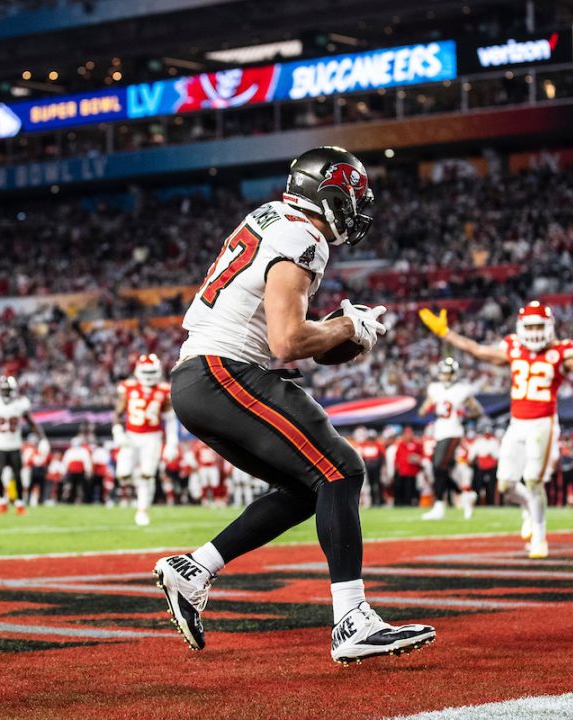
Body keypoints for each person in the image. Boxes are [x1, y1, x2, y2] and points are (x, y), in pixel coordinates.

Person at [154, 147, 434, 664]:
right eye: (349, 196)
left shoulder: (269, 219)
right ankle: (352, 621)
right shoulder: (303, 234)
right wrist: (349, 327)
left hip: (202, 377)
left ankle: (194, 569)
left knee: (309, 486)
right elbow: (286, 342)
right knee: (342, 469)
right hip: (224, 371)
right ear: (322, 193)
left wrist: (335, 332)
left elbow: (281, 331)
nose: (355, 208)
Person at [419, 300, 573, 557]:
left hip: (543, 423)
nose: (534, 332)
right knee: (506, 485)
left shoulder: (561, 352)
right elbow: (478, 350)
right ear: (520, 327)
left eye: (539, 325)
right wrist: (446, 333)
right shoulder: (513, 348)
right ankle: (530, 507)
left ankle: (540, 536)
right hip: (517, 424)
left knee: (532, 479)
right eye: (529, 326)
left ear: (549, 326)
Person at [114, 354, 179, 525]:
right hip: (131, 435)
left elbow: (170, 420)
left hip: (152, 437)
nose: (149, 375)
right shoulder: (128, 387)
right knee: (123, 475)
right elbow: (118, 412)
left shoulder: (164, 390)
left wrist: (172, 444)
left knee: (147, 475)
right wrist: (117, 430)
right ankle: (138, 484)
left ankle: (142, 510)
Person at [419, 358, 484, 520]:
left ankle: (440, 505)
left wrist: (465, 413)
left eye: (448, 374)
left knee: (437, 466)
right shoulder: (435, 389)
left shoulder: (462, 390)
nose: (445, 377)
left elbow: (478, 410)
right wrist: (429, 407)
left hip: (454, 431)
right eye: (444, 374)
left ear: (454, 374)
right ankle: (464, 495)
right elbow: (422, 411)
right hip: (439, 432)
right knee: (439, 469)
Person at [0, 376, 45, 515]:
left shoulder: (20, 404)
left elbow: (32, 423)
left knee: (17, 475)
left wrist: (42, 438)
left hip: (14, 445)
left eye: (8, 390)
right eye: (4, 390)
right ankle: (2, 501)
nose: (6, 393)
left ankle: (19, 503)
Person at [392, 426, 424, 508]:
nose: (408, 436)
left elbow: (421, 456)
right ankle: (400, 503)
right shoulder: (401, 444)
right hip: (402, 470)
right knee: (400, 487)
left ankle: (409, 502)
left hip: (412, 471)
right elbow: (397, 456)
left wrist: (416, 459)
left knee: (410, 488)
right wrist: (396, 466)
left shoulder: (416, 444)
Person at [355, 428, 386, 507]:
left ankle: (380, 500)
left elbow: (382, 457)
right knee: (371, 484)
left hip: (376, 467)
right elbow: (362, 456)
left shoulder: (378, 445)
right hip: (368, 467)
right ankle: (373, 500)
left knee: (378, 483)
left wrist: (382, 467)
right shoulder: (364, 445)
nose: (371, 441)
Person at [470, 426, 499, 506]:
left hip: (492, 468)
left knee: (491, 487)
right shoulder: (479, 442)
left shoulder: (494, 442)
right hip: (480, 467)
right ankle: (477, 503)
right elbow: (472, 454)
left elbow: (497, 455)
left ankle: (490, 503)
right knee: (478, 486)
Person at [61, 437, 92, 504]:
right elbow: (65, 462)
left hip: (81, 472)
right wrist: (63, 472)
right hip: (71, 472)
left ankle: (84, 501)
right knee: (71, 487)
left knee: (83, 487)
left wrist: (88, 470)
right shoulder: (69, 451)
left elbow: (87, 461)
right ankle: (70, 501)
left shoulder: (83, 451)